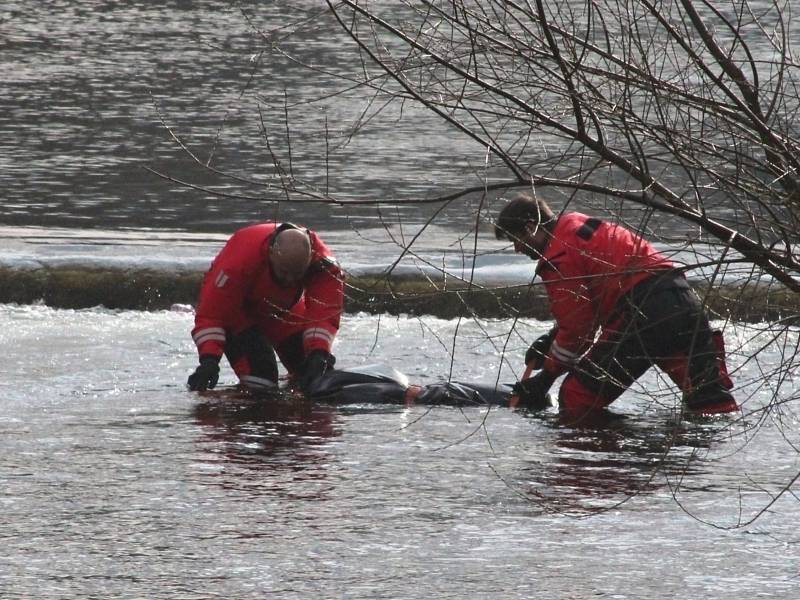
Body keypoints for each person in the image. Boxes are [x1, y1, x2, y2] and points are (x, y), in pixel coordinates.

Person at [494, 193, 737, 424]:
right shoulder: (578, 228)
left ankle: (607, 460)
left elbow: (579, 330)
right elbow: (592, 303)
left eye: (516, 240)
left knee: (576, 396)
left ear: (530, 227)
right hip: (683, 302)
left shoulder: (558, 256)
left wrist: (545, 378)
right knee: (710, 404)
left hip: (642, 315)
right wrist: (552, 338)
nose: (517, 248)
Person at [187, 222, 344, 395]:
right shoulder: (237, 265)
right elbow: (212, 315)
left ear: (310, 258)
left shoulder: (324, 266)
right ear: (270, 254)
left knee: (311, 373)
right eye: (284, 272)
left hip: (283, 310)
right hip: (239, 314)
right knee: (261, 381)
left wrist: (319, 353)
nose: (290, 280)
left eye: (297, 275)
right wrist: (209, 361)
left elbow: (324, 314)